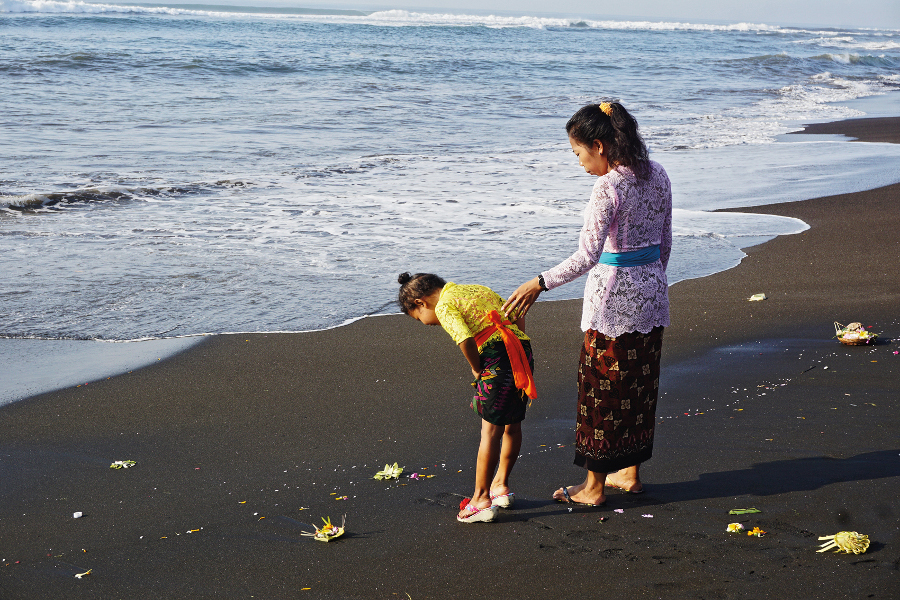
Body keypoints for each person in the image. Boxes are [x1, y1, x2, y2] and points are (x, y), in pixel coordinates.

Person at [502, 101, 672, 507]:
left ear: (599, 145)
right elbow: (665, 242)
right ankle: (629, 473)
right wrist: (653, 281)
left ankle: (594, 487)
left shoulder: (608, 186)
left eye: (578, 153)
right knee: (639, 387)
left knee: (602, 392)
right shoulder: (658, 174)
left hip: (612, 304)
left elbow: (587, 256)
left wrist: (540, 283)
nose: (579, 163)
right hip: (652, 296)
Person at [398, 272, 537, 523]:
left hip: (496, 359)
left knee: (490, 432)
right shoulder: (477, 288)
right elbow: (515, 315)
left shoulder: (444, 305)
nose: (426, 323)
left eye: (419, 318)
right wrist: (514, 345)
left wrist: (476, 368)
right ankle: (501, 487)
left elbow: (465, 339)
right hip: (521, 351)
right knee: (512, 425)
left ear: (421, 302)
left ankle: (481, 500)